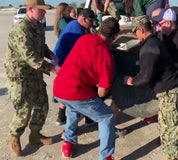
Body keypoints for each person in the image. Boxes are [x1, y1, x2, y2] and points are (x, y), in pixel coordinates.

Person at [124, 15, 178, 160]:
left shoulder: (148, 48)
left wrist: (131, 81)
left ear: (141, 30)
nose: (136, 34)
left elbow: (145, 77)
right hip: (176, 89)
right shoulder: (156, 41)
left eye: (136, 31)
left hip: (169, 95)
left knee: (169, 132)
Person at [53, 17, 120, 160]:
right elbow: (102, 91)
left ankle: (68, 144)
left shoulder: (84, 39)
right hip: (76, 92)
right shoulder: (106, 55)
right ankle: (106, 156)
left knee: (73, 108)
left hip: (59, 88)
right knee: (106, 117)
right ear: (115, 37)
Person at [4, 0, 60, 157]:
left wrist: (51, 54)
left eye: (44, 10)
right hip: (20, 75)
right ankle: (14, 137)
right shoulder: (21, 29)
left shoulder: (37, 26)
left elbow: (41, 47)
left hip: (35, 73)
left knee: (42, 104)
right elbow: (30, 57)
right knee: (24, 108)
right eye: (40, 10)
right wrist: (53, 68)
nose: (43, 12)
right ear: (30, 9)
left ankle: (35, 134)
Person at [53, 8, 96, 126]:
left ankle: (61, 117)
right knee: (84, 87)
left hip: (60, 60)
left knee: (66, 89)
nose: (92, 24)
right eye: (91, 21)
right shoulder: (78, 33)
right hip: (63, 63)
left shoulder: (73, 23)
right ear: (83, 19)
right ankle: (88, 117)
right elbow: (88, 50)